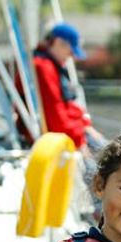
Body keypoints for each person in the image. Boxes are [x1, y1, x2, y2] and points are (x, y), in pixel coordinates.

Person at [27, 22, 106, 153]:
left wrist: (85, 125)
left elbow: (64, 106)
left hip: (68, 132)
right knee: (103, 159)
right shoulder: (43, 68)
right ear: (58, 43)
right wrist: (80, 141)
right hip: (54, 141)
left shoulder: (49, 66)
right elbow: (55, 117)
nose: (71, 57)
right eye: (70, 51)